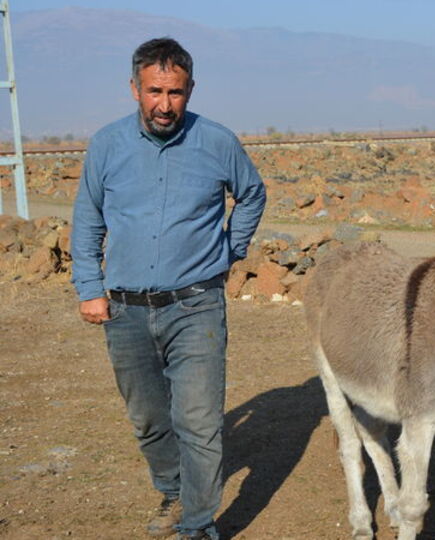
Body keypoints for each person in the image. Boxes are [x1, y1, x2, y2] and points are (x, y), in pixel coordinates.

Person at [71, 37, 266, 540]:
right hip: (126, 310)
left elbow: (251, 193)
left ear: (191, 89)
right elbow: (88, 218)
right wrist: (89, 286)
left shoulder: (217, 141)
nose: (165, 104)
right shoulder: (107, 145)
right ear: (134, 88)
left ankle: (198, 527)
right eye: (154, 91)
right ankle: (174, 492)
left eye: (176, 93)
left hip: (196, 305)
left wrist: (229, 250)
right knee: (150, 420)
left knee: (198, 424)